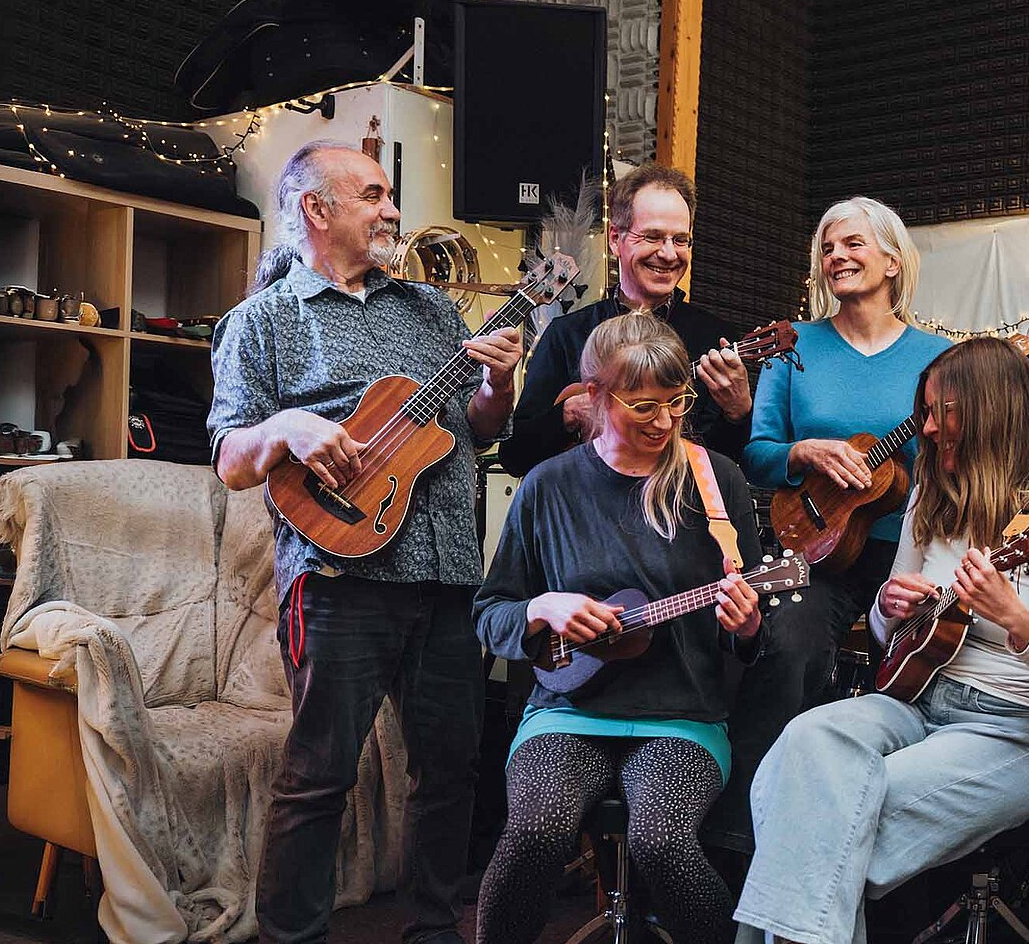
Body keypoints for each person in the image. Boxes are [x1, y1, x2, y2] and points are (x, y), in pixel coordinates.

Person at [208, 139, 522, 944]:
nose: (392, 211)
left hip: (446, 572)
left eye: (389, 196)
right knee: (320, 775)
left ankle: (432, 930)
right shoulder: (263, 322)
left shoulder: (430, 311)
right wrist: (288, 425)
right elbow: (231, 458)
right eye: (374, 195)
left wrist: (497, 383)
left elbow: (478, 429)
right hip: (337, 574)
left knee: (450, 770)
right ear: (316, 209)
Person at [734, 338, 1029, 944]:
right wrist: (886, 606)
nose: (925, 429)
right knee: (796, 748)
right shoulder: (928, 502)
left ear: (987, 413)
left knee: (828, 820)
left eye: (940, 412)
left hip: (1014, 731)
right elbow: (892, 635)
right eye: (925, 412)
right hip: (918, 703)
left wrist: (1018, 621)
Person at [473, 311, 766, 944]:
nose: (664, 422)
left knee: (663, 840)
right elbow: (491, 612)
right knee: (534, 831)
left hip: (681, 715)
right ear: (595, 397)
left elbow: (748, 635)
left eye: (677, 402)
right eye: (643, 406)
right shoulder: (548, 486)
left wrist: (745, 625)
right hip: (566, 712)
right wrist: (540, 608)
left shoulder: (716, 481)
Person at [732, 197, 952, 836]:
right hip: (813, 549)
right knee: (787, 648)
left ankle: (887, 831)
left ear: (893, 260)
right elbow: (758, 454)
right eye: (827, 247)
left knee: (927, 669)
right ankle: (753, 827)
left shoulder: (937, 358)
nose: (837, 256)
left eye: (853, 244)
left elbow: (959, 455)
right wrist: (804, 450)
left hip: (908, 551)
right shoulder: (794, 347)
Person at [499, 162, 753, 474]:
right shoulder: (566, 334)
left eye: (680, 240)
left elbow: (729, 467)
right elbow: (515, 458)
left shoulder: (716, 340)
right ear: (615, 238)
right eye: (653, 237)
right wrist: (569, 413)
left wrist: (739, 413)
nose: (669, 254)